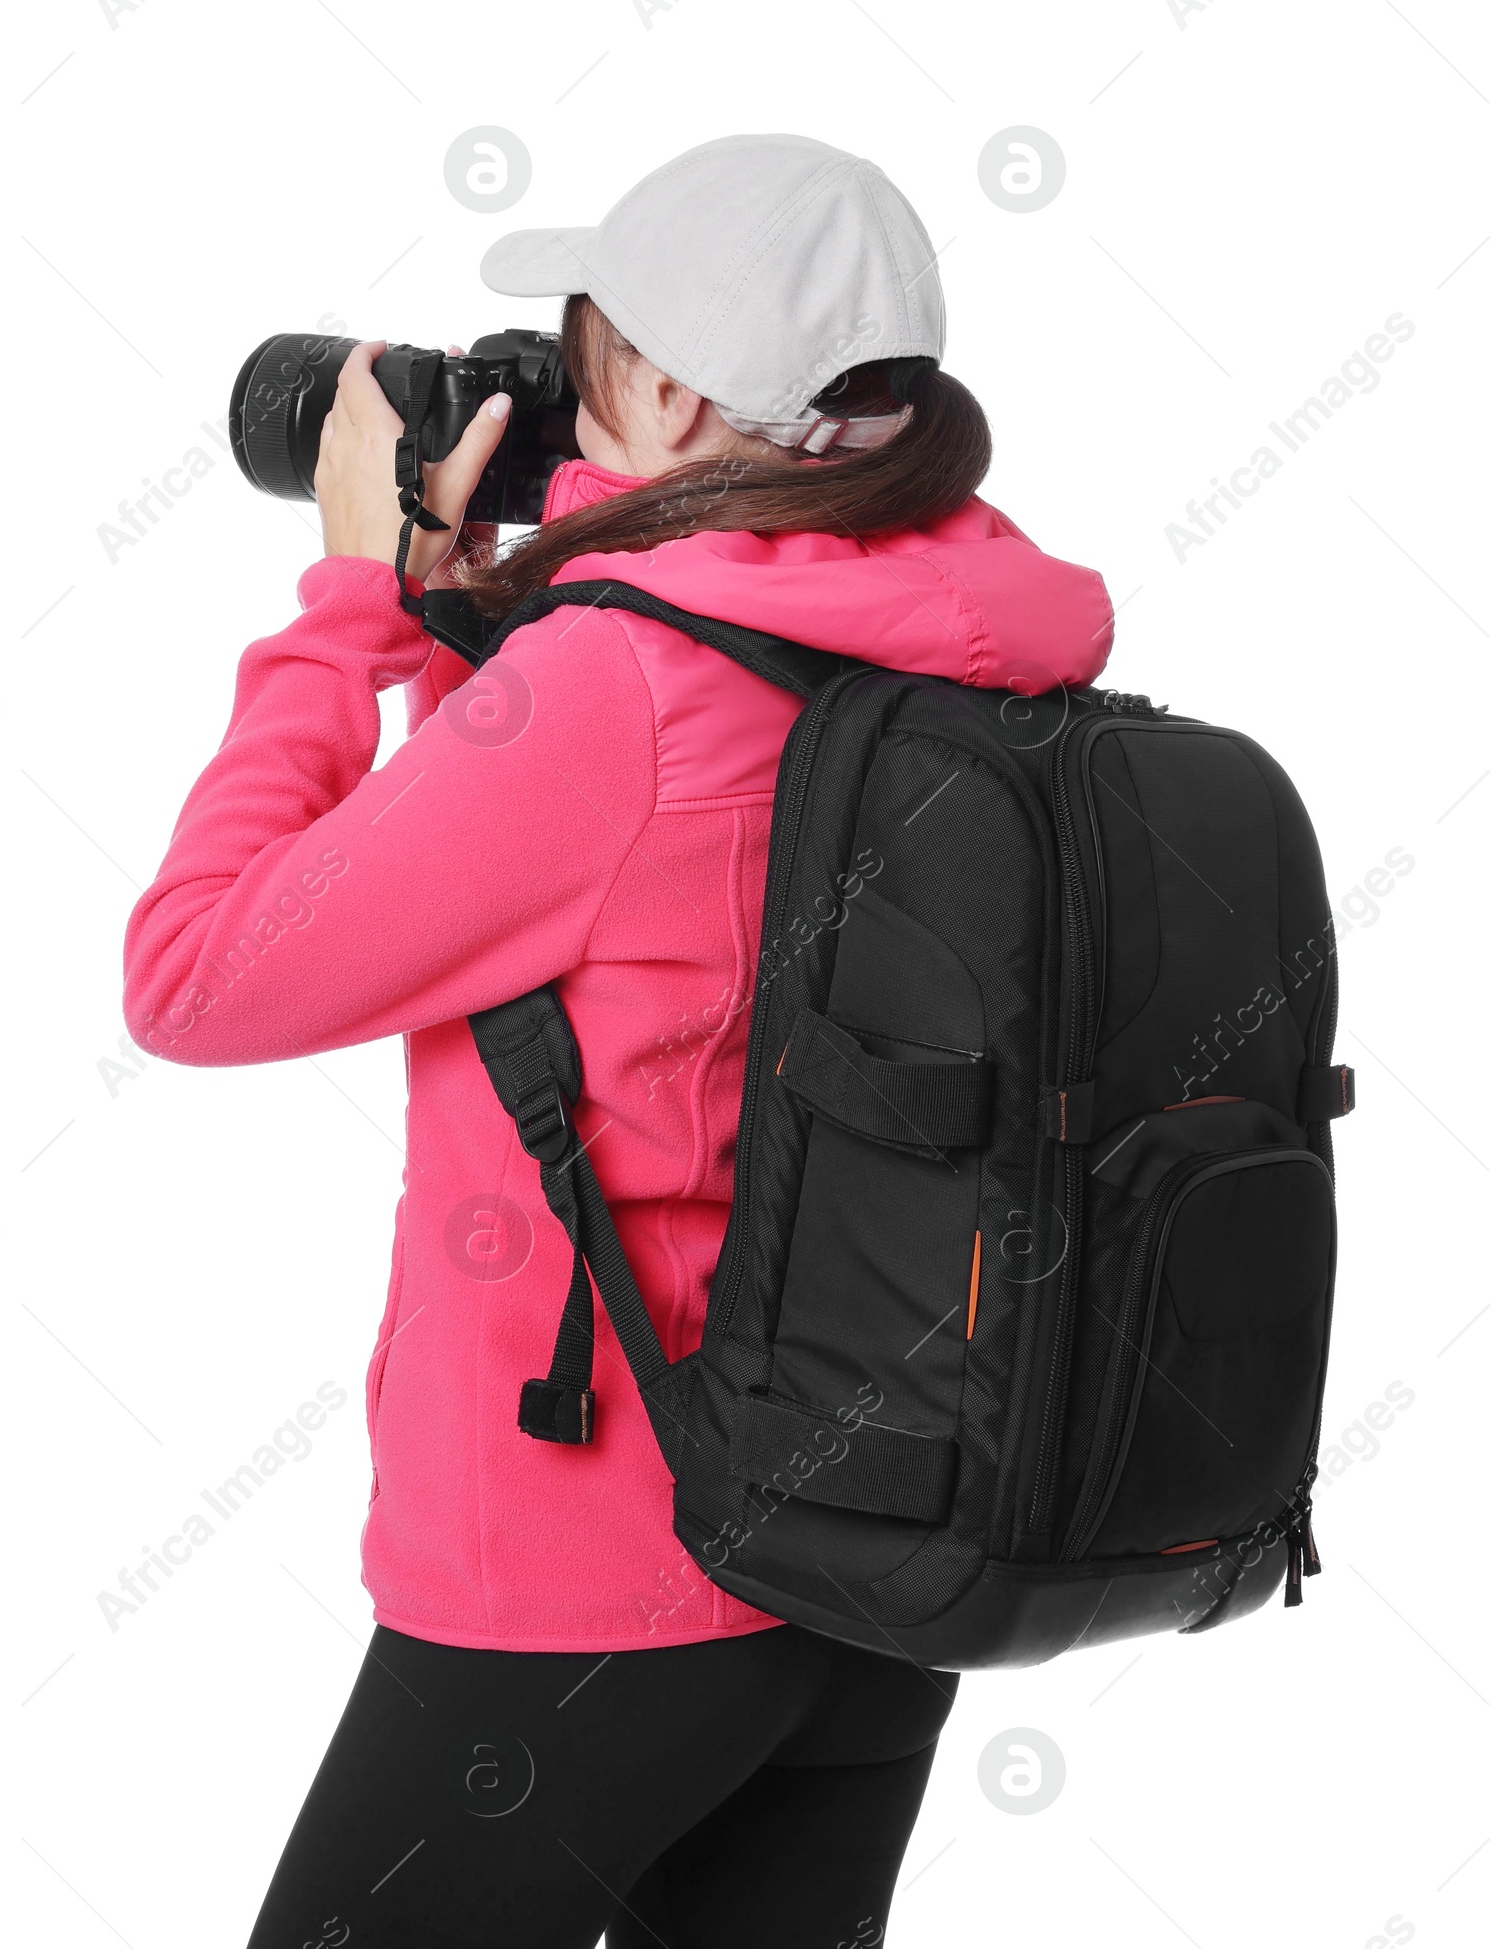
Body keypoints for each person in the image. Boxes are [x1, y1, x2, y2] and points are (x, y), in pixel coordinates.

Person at [123, 134, 1113, 1949]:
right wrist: (470, 628)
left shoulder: (615, 684)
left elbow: (194, 979)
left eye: (575, 361)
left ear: (657, 385)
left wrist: (344, 614)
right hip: (873, 1549)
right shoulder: (966, 644)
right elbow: (618, 889)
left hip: (592, 1576)